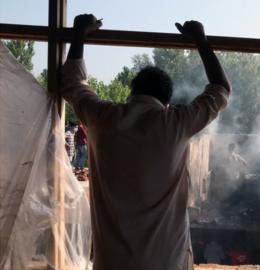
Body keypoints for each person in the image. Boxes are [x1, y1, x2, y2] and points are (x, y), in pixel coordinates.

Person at [60, 14, 231, 270]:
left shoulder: (103, 118)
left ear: (132, 92)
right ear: (167, 101)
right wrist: (201, 40)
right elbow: (220, 89)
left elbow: (71, 82)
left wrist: (79, 34)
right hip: (167, 261)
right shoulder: (176, 123)